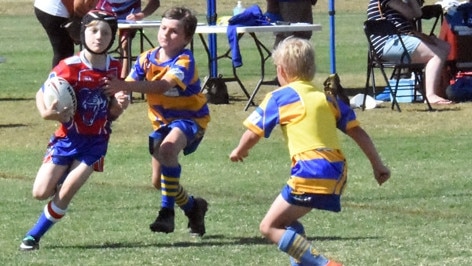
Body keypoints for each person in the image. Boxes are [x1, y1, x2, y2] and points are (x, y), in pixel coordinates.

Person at [229, 37, 391, 266]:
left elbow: (253, 132)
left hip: (310, 168)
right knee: (288, 223)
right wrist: (378, 165)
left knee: (269, 226)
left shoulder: (278, 97)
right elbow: (358, 133)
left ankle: (324, 264)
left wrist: (239, 150)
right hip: (337, 170)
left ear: (280, 70)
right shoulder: (328, 98)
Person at [19, 10, 129, 251]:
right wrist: (46, 113)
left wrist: (119, 106)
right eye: (93, 30)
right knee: (40, 192)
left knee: (67, 191)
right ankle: (60, 181)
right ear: (83, 33)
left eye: (106, 32)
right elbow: (42, 92)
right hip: (66, 138)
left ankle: (33, 237)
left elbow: (111, 113)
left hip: (96, 141)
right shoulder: (69, 66)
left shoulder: (115, 68)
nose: (99, 36)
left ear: (112, 37)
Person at [103, 7, 210, 237]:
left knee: (168, 148)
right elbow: (130, 83)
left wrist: (123, 86)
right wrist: (121, 97)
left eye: (173, 31)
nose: (165, 34)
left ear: (187, 38)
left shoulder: (184, 60)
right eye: (163, 28)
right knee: (159, 182)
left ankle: (166, 214)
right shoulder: (146, 58)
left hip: (190, 119)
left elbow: (161, 86)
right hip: (162, 122)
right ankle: (193, 208)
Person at [367, 0, 452, 105]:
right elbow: (410, 14)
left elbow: (418, 14)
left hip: (401, 39)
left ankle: (441, 89)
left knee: (445, 47)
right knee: (436, 54)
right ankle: (430, 95)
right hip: (388, 43)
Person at [95, 0, 161, 78]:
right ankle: (97, 77)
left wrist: (140, 15)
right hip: (103, 11)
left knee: (125, 42)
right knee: (98, 40)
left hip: (130, 14)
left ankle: (124, 81)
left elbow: (155, 3)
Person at [34, 0, 97, 68]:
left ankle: (60, 76)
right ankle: (58, 77)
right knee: (64, 53)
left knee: (64, 52)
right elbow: (79, 5)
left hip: (47, 6)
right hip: (54, 9)